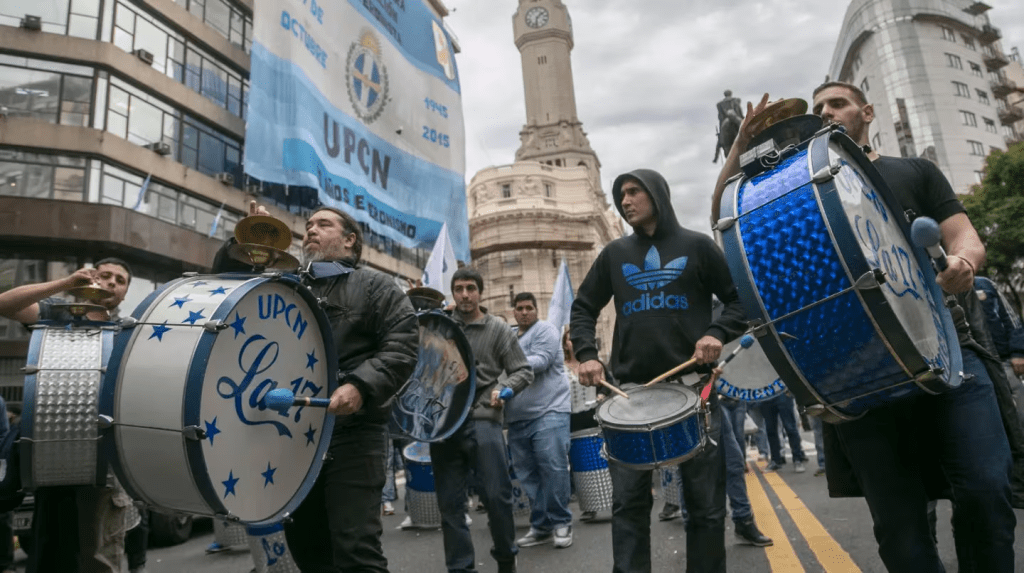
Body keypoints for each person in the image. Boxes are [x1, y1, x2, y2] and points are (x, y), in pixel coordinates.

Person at [715, 83, 1016, 572]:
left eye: (837, 104)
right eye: (818, 109)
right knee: (901, 536)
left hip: (950, 352)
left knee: (986, 487)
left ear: (867, 112)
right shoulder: (798, 186)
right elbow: (726, 222)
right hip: (861, 375)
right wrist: (739, 148)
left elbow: (963, 234)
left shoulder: (914, 171)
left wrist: (963, 260)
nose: (825, 113)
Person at [216, 203, 419, 572]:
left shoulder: (375, 286)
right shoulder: (287, 285)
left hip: (354, 435)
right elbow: (226, 289)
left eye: (323, 224)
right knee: (308, 548)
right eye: (308, 225)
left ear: (349, 240)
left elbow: (403, 345)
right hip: (295, 437)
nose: (310, 230)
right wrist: (247, 238)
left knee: (356, 550)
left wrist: (360, 385)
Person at [570, 169, 747, 573]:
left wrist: (717, 332)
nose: (625, 201)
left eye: (634, 192)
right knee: (629, 506)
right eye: (621, 195)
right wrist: (588, 354)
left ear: (658, 196)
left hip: (695, 393)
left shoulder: (698, 247)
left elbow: (739, 301)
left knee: (705, 508)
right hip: (632, 397)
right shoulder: (614, 254)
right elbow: (583, 308)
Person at [0, 258, 135, 573]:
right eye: (105, 276)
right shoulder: (55, 314)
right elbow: (5, 304)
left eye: (120, 280)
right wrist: (64, 284)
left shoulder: (130, 330)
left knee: (100, 558)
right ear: (89, 279)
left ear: (125, 292)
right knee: (53, 557)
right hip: (54, 455)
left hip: (106, 464)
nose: (112, 282)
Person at [430, 267, 533, 573]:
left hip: (483, 419)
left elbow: (523, 370)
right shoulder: (441, 328)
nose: (464, 295)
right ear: (453, 293)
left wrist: (504, 388)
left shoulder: (498, 328)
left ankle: (505, 559)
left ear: (480, 292)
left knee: (497, 498)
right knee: (450, 505)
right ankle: (461, 568)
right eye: (459, 289)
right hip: (446, 424)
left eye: (470, 288)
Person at [506, 292, 573, 549]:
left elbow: (541, 361)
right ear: (514, 311)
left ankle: (561, 523)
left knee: (553, 468)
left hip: (549, 412)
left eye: (529, 308)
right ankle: (542, 525)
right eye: (519, 308)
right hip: (517, 417)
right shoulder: (511, 336)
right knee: (527, 474)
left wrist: (506, 360)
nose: (524, 312)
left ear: (536, 310)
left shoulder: (545, 329)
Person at [974, 276, 1024, 421]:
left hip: (1004, 361)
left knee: (1020, 410)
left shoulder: (985, 284)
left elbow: (1011, 318)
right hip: (975, 365)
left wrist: (1018, 352)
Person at [758, 392, 807, 473]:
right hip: (766, 395)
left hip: (781, 393)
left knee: (790, 428)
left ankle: (797, 460)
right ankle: (775, 461)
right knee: (770, 430)